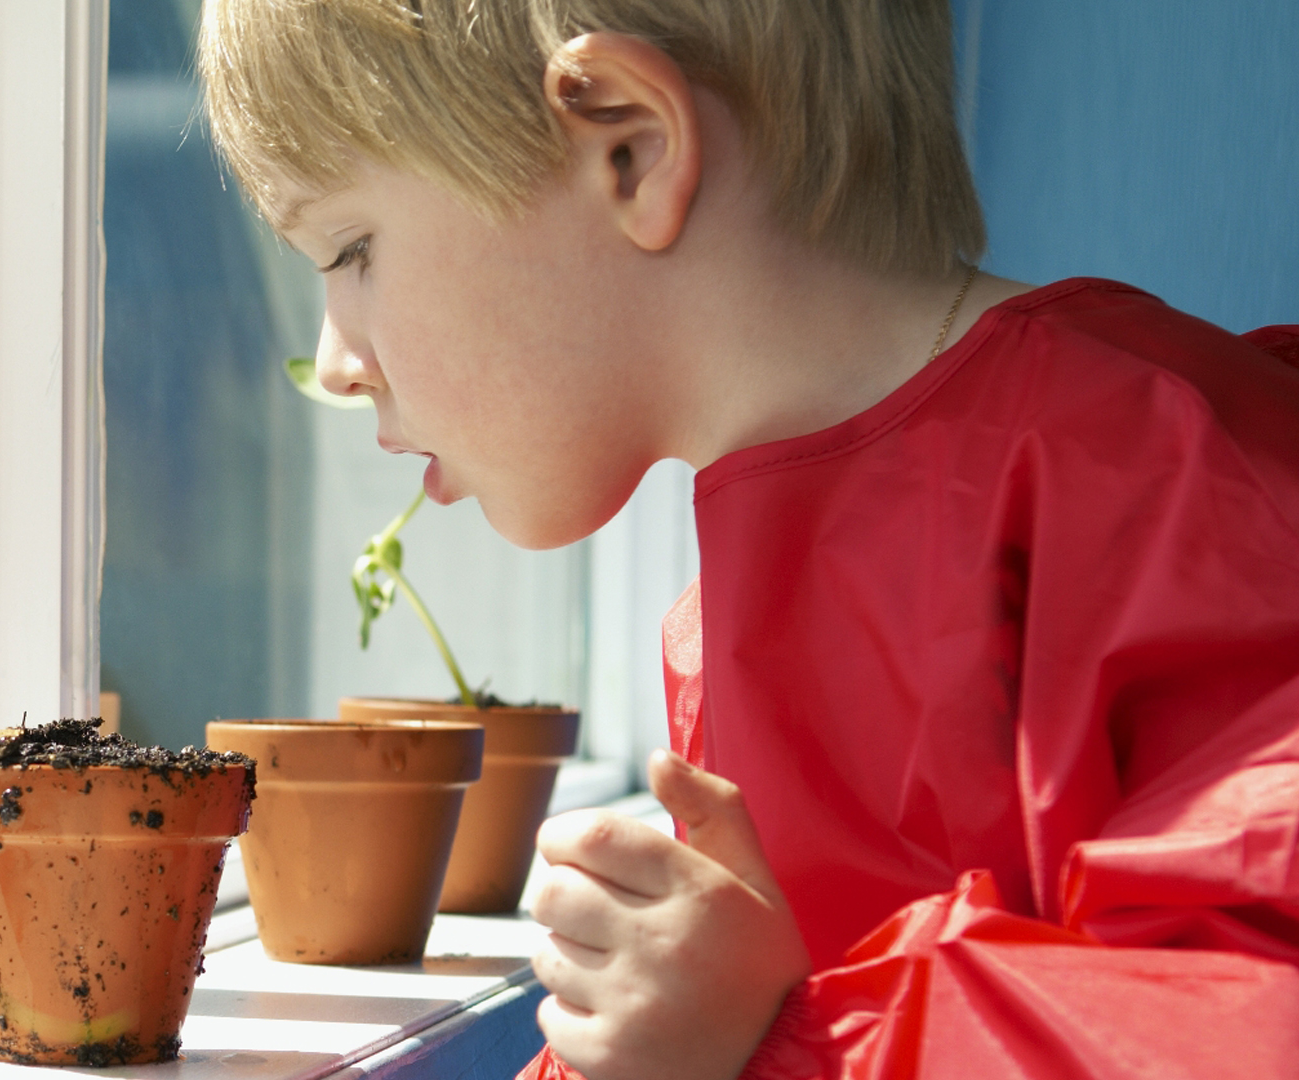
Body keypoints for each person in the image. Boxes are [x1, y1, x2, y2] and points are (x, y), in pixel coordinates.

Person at [195, 1, 1299, 1077]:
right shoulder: (732, 603)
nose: (334, 360)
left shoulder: (1176, 481)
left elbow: (1242, 1017)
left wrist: (784, 1036)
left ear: (629, 148)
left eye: (348, 248)